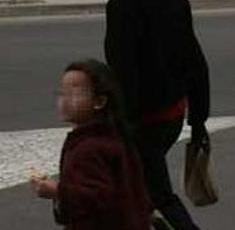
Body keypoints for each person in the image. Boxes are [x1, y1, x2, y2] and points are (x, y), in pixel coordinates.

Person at [100, 0, 210, 230]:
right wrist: (199, 120)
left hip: (143, 125)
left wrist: (118, 130)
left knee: (160, 196)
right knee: (138, 195)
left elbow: (124, 75)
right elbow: (195, 61)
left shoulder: (122, 6)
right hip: (174, 116)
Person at [31, 59, 151, 229]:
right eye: (62, 93)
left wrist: (57, 191)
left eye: (75, 94)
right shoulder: (115, 137)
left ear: (99, 101)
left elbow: (95, 198)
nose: (65, 100)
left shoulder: (89, 148)